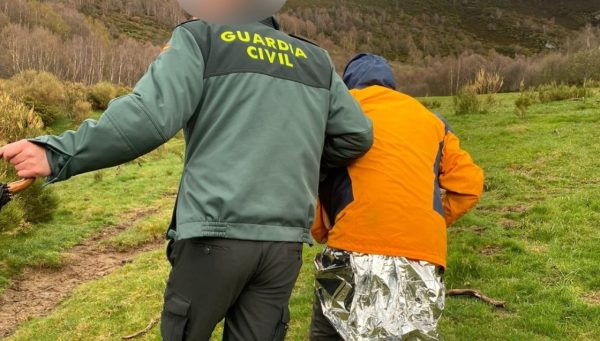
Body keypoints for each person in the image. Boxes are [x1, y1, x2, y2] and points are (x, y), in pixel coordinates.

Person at [0, 18, 373, 341]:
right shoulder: (316, 59)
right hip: (283, 244)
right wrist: (297, 164)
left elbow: (148, 116)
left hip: (216, 235)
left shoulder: (203, 38)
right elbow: (357, 135)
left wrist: (57, 151)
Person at [309, 53, 484, 341]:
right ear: (392, 85)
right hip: (422, 254)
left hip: (352, 245)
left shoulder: (337, 112)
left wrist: (323, 230)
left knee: (330, 333)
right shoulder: (432, 120)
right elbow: (469, 185)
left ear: (348, 83)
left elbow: (309, 175)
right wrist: (431, 222)